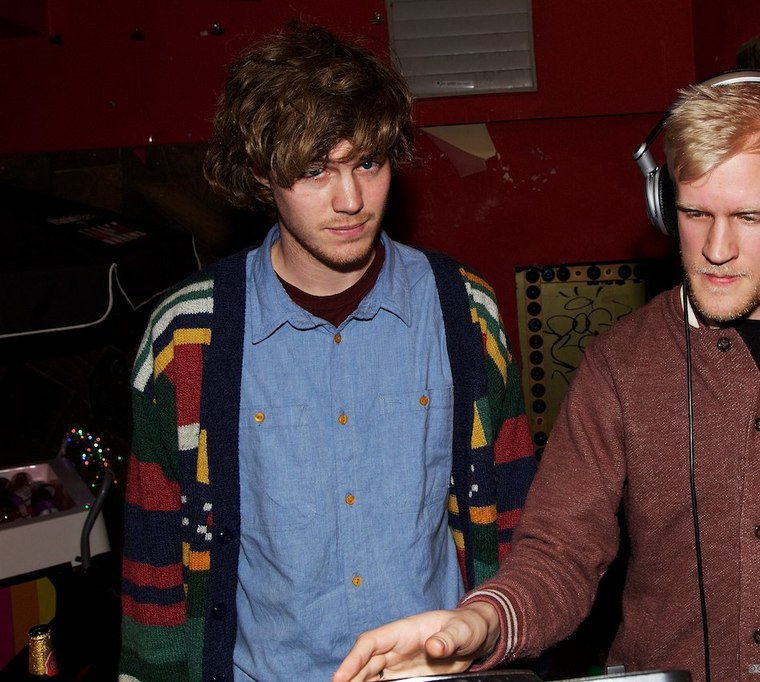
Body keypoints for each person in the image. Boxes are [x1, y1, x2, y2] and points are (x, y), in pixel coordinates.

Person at [332, 79, 760, 682]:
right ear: (665, 206)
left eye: (749, 217)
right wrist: (481, 622)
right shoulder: (619, 365)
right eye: (695, 214)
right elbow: (558, 552)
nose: (716, 248)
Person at [118, 23, 537, 682]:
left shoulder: (465, 316)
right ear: (261, 172)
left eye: (368, 163)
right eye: (315, 170)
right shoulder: (187, 337)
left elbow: (514, 525)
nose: (351, 201)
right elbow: (156, 562)